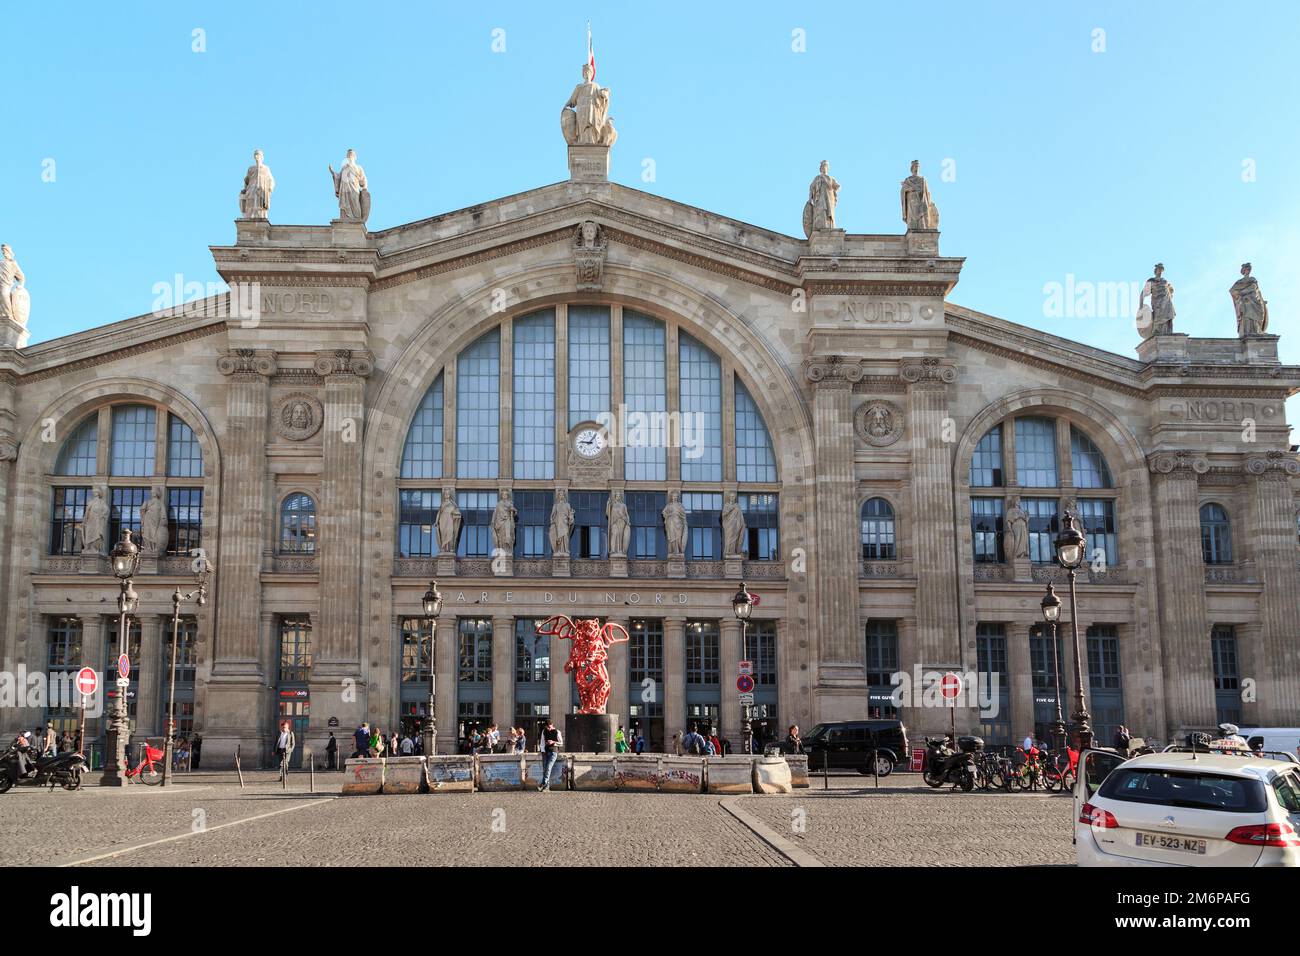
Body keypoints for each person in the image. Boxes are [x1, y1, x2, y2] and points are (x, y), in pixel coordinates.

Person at [538, 719, 563, 792]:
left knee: (548, 768)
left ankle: (543, 784)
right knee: (545, 769)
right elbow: (542, 742)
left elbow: (561, 743)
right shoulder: (544, 731)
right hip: (545, 752)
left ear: (552, 725)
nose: (548, 729)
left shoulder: (557, 731)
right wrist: (543, 751)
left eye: (549, 727)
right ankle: (546, 787)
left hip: (553, 752)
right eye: (547, 727)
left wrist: (553, 742)